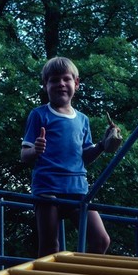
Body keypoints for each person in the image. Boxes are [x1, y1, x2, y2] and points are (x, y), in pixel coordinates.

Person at [21, 56, 114, 257]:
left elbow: (85, 157)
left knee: (101, 240)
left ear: (76, 83)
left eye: (66, 79)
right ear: (45, 85)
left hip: (77, 189)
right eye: (54, 80)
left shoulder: (82, 120)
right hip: (48, 187)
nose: (60, 84)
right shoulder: (39, 114)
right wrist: (35, 150)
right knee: (50, 248)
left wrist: (102, 145)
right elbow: (24, 155)